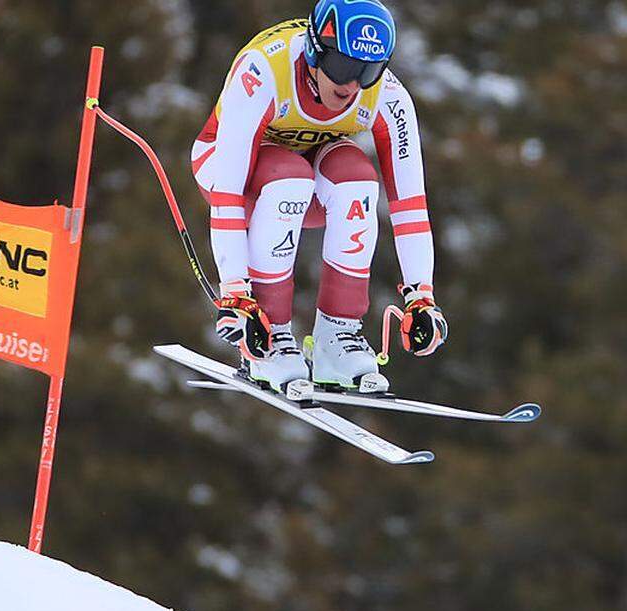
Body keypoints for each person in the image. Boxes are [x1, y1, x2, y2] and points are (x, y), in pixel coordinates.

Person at [192, 0, 447, 394]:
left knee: (358, 181)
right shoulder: (265, 71)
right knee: (288, 180)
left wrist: (421, 295)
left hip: (305, 179)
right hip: (229, 170)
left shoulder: (385, 95)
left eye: (368, 71)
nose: (351, 85)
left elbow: (409, 203)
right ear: (314, 51)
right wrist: (236, 294)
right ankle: (271, 337)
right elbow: (228, 191)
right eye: (343, 67)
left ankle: (337, 339)